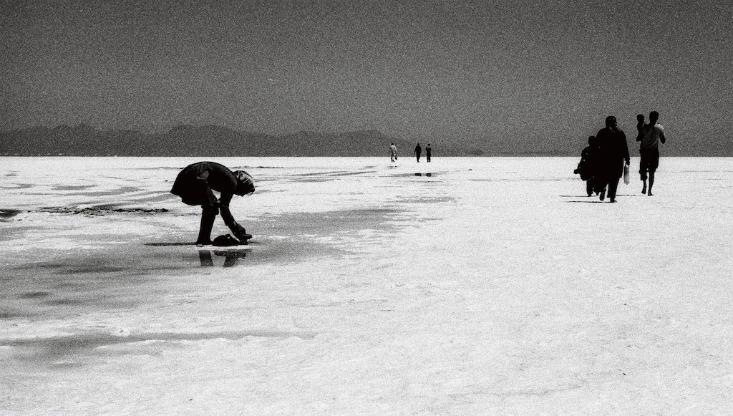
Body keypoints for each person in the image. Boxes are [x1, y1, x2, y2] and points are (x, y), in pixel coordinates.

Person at [170, 161, 255, 245]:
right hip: (195, 177)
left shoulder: (228, 177)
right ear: (243, 184)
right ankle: (203, 239)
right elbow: (224, 208)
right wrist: (236, 230)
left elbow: (222, 205)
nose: (242, 195)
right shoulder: (232, 182)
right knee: (212, 205)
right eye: (245, 192)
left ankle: (203, 238)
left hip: (184, 179)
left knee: (212, 204)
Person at [595, 116, 630, 203]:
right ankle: (612, 197)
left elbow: (596, 145)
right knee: (615, 178)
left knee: (605, 176)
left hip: (604, 158)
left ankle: (603, 188)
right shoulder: (620, 132)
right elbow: (624, 146)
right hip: (617, 159)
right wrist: (627, 158)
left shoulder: (602, 132)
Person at [637, 111, 666, 196]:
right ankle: (649, 190)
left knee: (643, 170)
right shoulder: (660, 127)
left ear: (649, 117)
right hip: (654, 152)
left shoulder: (644, 127)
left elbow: (638, 138)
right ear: (657, 118)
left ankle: (644, 185)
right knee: (652, 172)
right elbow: (663, 141)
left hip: (645, 151)